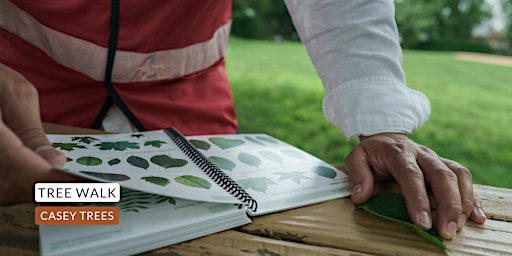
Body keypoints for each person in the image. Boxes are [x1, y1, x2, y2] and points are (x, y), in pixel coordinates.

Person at [0, 0, 486, 240]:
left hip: (190, 114)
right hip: (27, 106)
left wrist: (381, 121)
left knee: (199, 225)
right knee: (57, 218)